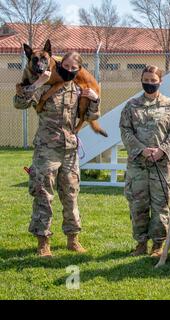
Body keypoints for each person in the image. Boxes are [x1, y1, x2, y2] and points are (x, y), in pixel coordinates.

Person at [14, 52, 100, 257]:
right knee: (43, 195)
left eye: (74, 68)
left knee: (71, 195)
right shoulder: (43, 85)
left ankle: (73, 239)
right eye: (66, 66)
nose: (69, 70)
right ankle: (43, 242)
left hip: (69, 151)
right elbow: (19, 103)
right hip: (46, 150)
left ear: (79, 70)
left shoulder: (79, 89)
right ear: (60, 65)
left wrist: (95, 100)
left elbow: (89, 116)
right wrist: (38, 83)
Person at [120, 65, 170, 257]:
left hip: (161, 165)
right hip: (138, 164)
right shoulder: (131, 106)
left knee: (161, 204)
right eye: (146, 81)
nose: (149, 84)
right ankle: (140, 244)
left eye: (153, 81)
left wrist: (162, 150)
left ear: (160, 82)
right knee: (138, 205)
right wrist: (141, 149)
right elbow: (125, 130)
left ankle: (157, 246)